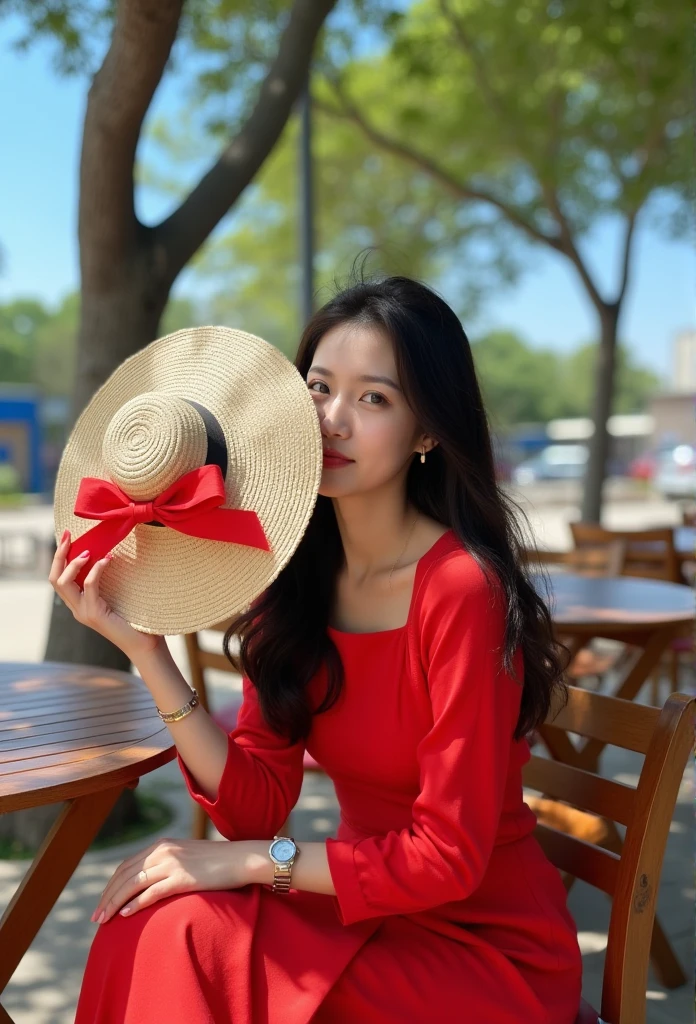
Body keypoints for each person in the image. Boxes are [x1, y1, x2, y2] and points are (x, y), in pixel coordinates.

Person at [51, 274, 582, 1023]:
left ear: (428, 431)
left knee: (191, 925)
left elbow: (446, 857)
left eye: (374, 399)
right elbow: (252, 805)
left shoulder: (460, 589)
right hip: (368, 912)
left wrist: (244, 866)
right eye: (320, 388)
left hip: (485, 951)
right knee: (146, 914)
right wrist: (146, 651)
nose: (333, 420)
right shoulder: (297, 583)